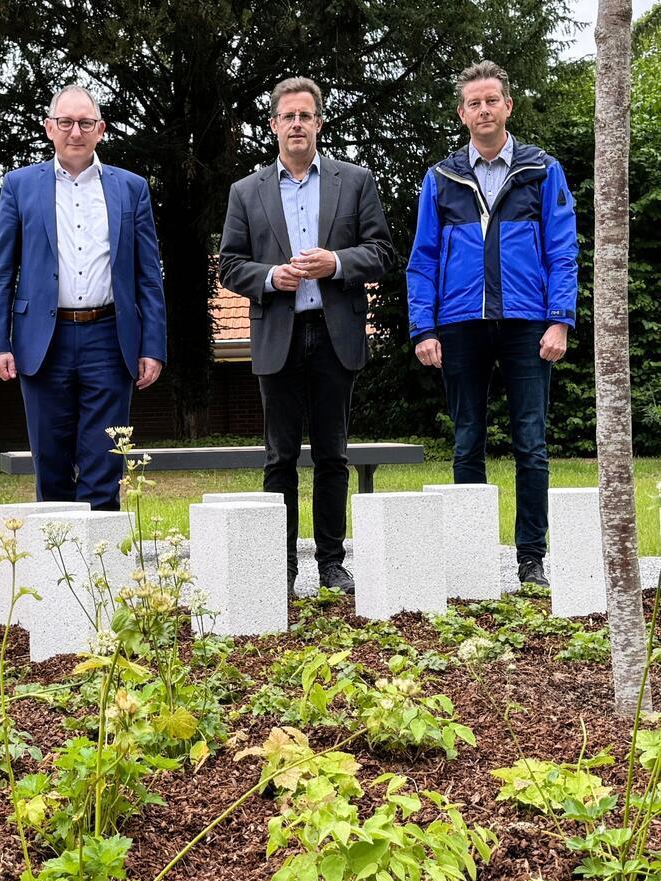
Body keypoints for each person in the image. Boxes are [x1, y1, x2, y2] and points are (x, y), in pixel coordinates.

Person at [219, 75, 394, 596]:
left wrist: (336, 262)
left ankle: (331, 564)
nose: (297, 124)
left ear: (319, 123)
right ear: (273, 125)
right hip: (278, 334)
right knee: (279, 459)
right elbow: (229, 266)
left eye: (306, 116)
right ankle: (282, 568)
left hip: (333, 334)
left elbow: (383, 253)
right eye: (287, 116)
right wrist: (272, 277)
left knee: (333, 456)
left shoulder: (355, 180)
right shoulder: (245, 192)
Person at [407, 60, 578, 588]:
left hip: (529, 323)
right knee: (467, 441)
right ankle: (470, 556)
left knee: (531, 442)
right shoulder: (440, 178)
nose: (483, 110)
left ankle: (532, 558)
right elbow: (423, 257)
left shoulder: (542, 170)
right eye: (473, 103)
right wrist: (423, 327)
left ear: (508, 106)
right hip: (459, 325)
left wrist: (560, 321)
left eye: (491, 100)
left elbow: (562, 250)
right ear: (462, 114)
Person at [0, 84, 166, 509]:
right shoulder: (19, 186)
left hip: (109, 338)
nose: (75, 132)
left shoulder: (131, 188)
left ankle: (101, 571)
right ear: (50, 128)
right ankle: (56, 567)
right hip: (44, 340)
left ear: (100, 129)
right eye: (65, 122)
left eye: (85, 123)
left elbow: (147, 276)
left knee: (105, 461)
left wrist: (152, 346)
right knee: (51, 461)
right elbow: (0, 271)